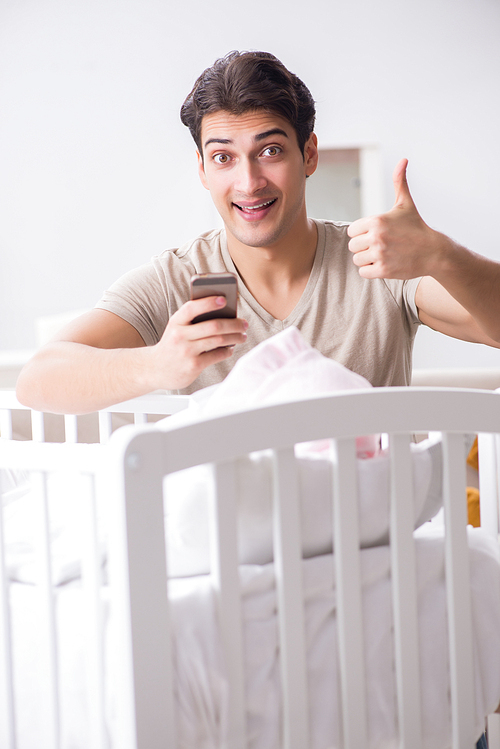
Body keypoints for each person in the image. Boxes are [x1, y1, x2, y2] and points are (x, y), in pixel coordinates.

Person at [16, 50, 500, 414]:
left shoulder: (378, 263)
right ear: (203, 170)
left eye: (270, 151)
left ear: (308, 154)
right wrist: (160, 364)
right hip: (229, 542)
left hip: (366, 539)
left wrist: (442, 255)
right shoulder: (175, 279)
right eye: (224, 157)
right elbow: (38, 381)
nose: (249, 183)